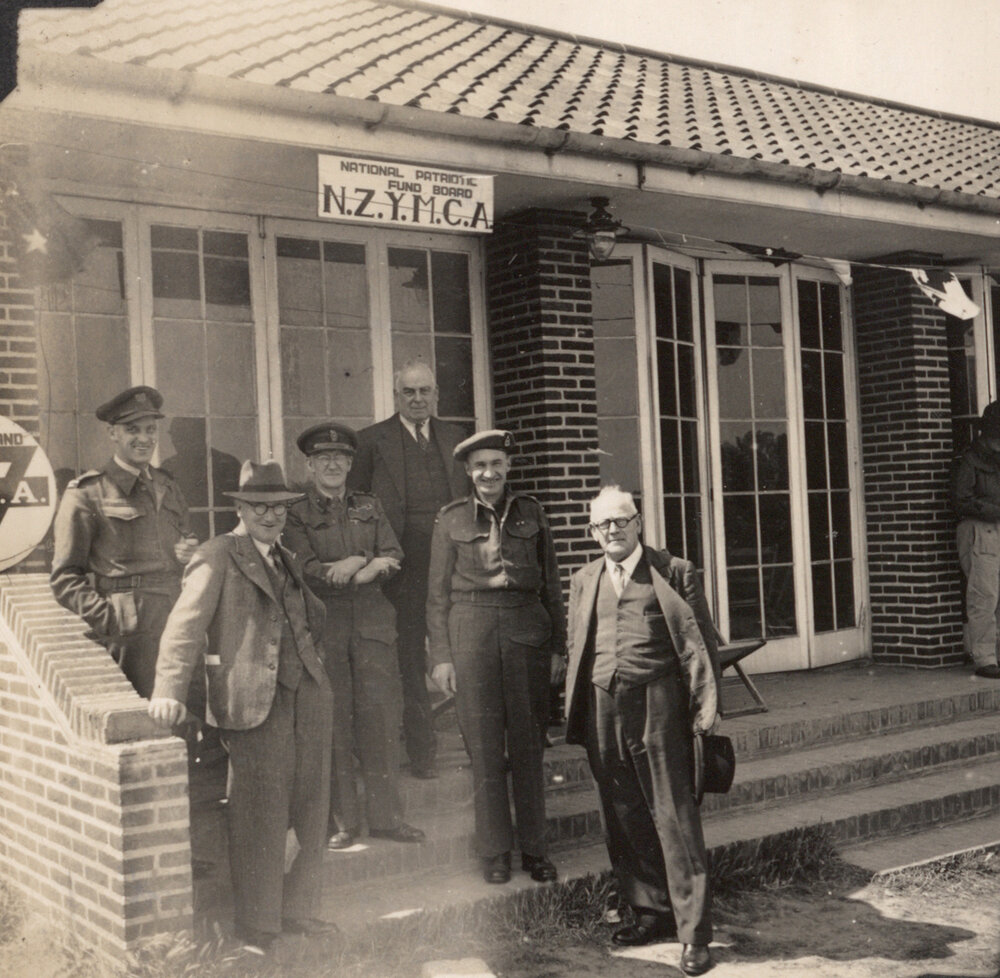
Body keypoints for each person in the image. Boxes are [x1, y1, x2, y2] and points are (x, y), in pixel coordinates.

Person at [148, 460, 337, 954]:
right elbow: (184, 626)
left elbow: (307, 619)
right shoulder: (217, 554)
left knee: (311, 806)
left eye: (279, 508)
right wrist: (168, 688)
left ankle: (299, 911)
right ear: (241, 509)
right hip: (253, 702)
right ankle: (257, 925)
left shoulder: (285, 556)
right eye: (259, 507)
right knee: (259, 813)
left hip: (308, 695)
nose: (270, 516)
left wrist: (314, 666)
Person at [564, 485, 718, 977]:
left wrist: (704, 711)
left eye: (621, 520)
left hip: (658, 705)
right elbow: (576, 646)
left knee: (674, 817)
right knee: (623, 812)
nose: (612, 530)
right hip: (602, 705)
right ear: (592, 531)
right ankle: (651, 912)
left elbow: (703, 644)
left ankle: (694, 935)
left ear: (638, 523)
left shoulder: (673, 571)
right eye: (602, 524)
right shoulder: (584, 578)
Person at [426, 429, 566, 885]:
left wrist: (558, 647)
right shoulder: (450, 519)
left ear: (508, 467)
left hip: (526, 629)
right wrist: (442, 656)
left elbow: (551, 584)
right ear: (469, 472)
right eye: (480, 466)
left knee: (528, 743)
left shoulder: (532, 513)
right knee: (484, 747)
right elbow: (436, 595)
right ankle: (495, 852)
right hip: (472, 630)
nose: (489, 473)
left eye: (496, 464)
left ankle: (536, 850)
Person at [284, 421, 425, 850]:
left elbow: (393, 553)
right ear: (310, 466)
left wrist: (357, 563)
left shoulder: (369, 505)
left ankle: (387, 818)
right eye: (323, 458)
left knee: (380, 720)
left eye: (340, 457)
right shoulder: (295, 512)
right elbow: (306, 571)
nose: (332, 464)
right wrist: (361, 565)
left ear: (349, 464)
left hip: (372, 623)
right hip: (326, 623)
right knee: (335, 722)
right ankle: (344, 821)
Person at [349, 360, 469, 778]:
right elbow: (356, 505)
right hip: (403, 570)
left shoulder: (456, 438)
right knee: (410, 659)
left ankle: (482, 747)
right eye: (409, 392)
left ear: (436, 394)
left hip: (455, 565)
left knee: (464, 651)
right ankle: (423, 753)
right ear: (396, 395)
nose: (418, 399)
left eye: (425, 391)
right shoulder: (371, 441)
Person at [50, 385, 198, 699]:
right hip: (131, 628)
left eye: (150, 429)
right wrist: (109, 619)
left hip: (178, 615)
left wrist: (187, 553)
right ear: (112, 433)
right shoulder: (88, 492)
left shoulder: (167, 485)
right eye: (132, 429)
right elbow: (64, 578)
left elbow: (185, 540)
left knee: (187, 709)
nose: (144, 438)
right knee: (144, 715)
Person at [952, 400, 1000, 679]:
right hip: (980, 530)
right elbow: (960, 500)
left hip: (995, 526)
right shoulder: (969, 460)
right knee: (984, 594)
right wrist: (994, 510)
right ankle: (984, 658)